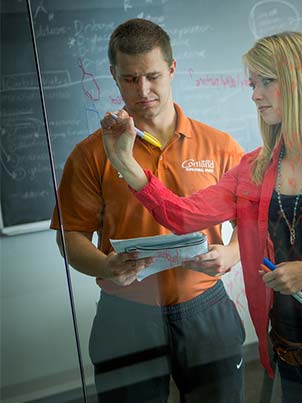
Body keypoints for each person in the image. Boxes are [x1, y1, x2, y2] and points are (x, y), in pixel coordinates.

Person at [101, 31, 302, 403]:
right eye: (252, 83)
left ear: (300, 83)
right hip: (287, 351)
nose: (254, 94)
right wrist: (124, 162)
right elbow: (182, 215)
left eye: (266, 82)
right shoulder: (254, 169)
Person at [50, 18, 245, 402]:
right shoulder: (91, 154)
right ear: (114, 75)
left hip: (204, 308)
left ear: (172, 69)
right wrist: (105, 266)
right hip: (126, 313)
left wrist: (232, 253)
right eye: (129, 79)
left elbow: (252, 224)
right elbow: (70, 236)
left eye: (153, 76)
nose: (143, 90)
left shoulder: (219, 145)